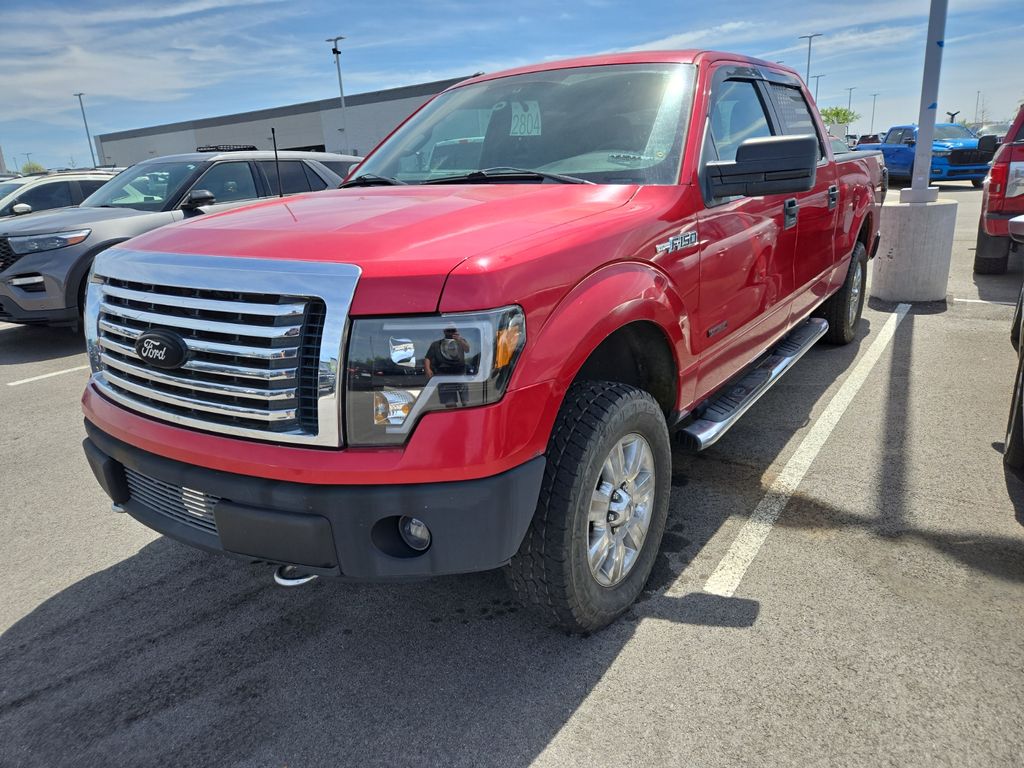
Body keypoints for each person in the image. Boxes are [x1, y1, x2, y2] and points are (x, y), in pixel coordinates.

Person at [424, 326, 470, 407]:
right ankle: (453, 416)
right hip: (443, 374)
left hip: (460, 373)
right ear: (444, 331)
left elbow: (467, 349)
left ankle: (465, 414)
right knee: (450, 403)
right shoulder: (436, 344)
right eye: (449, 330)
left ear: (457, 330)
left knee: (465, 402)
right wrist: (427, 369)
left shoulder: (461, 341)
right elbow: (428, 357)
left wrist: (459, 340)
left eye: (453, 330)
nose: (451, 332)